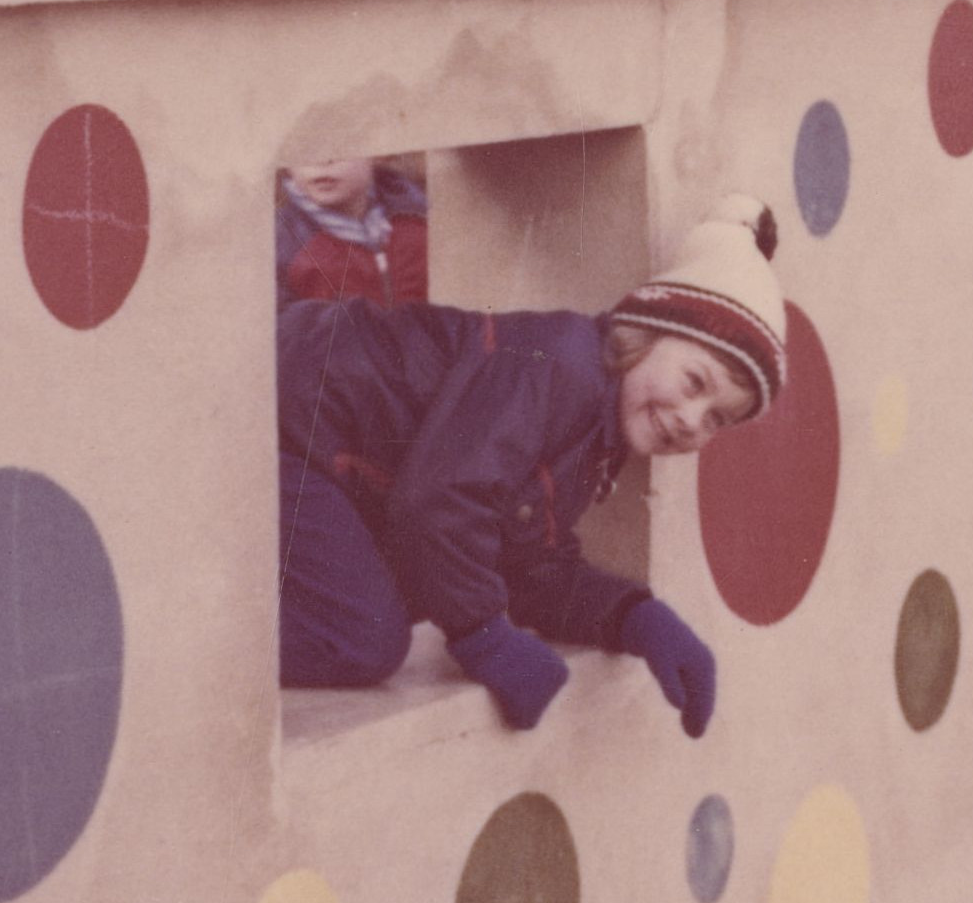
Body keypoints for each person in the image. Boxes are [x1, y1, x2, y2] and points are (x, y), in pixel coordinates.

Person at [274, 210, 773, 731]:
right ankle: (188, 654)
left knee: (385, 607)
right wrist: (483, 636)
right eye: (695, 382)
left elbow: (530, 565)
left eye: (717, 418)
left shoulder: (594, 436)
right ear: (645, 336)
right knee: (362, 636)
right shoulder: (562, 366)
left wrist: (634, 619)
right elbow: (440, 500)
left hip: (320, 451)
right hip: (285, 414)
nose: (693, 419)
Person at [273, 153, 430, 309]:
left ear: (376, 154)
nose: (323, 160)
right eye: (305, 146)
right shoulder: (277, 244)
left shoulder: (422, 219)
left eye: (340, 144)